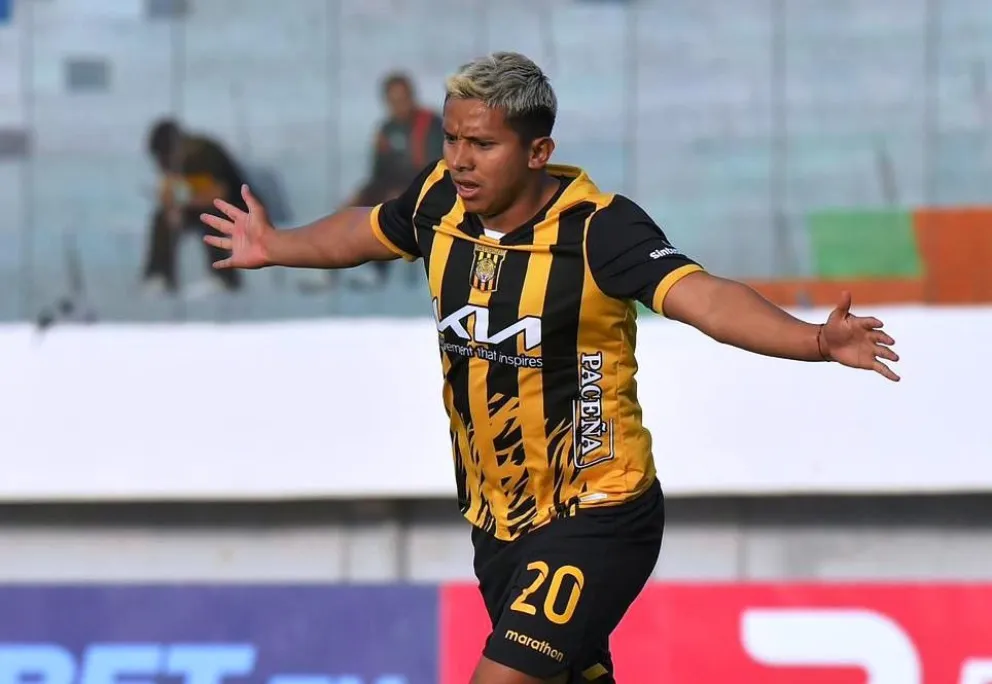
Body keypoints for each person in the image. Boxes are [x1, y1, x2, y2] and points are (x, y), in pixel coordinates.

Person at [200, 52, 900, 684]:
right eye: (452, 139)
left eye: (482, 144)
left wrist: (812, 341)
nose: (461, 160)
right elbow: (368, 229)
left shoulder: (600, 229)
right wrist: (278, 243)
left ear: (538, 151)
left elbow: (706, 298)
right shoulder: (439, 201)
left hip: (598, 511)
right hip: (498, 521)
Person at [141, 119, 247, 297]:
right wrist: (172, 206)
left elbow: (217, 193)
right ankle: (160, 275)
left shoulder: (205, 154)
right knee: (162, 219)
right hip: (197, 205)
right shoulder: (174, 164)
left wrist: (182, 203)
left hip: (234, 206)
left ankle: (224, 277)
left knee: (212, 217)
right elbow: (175, 191)